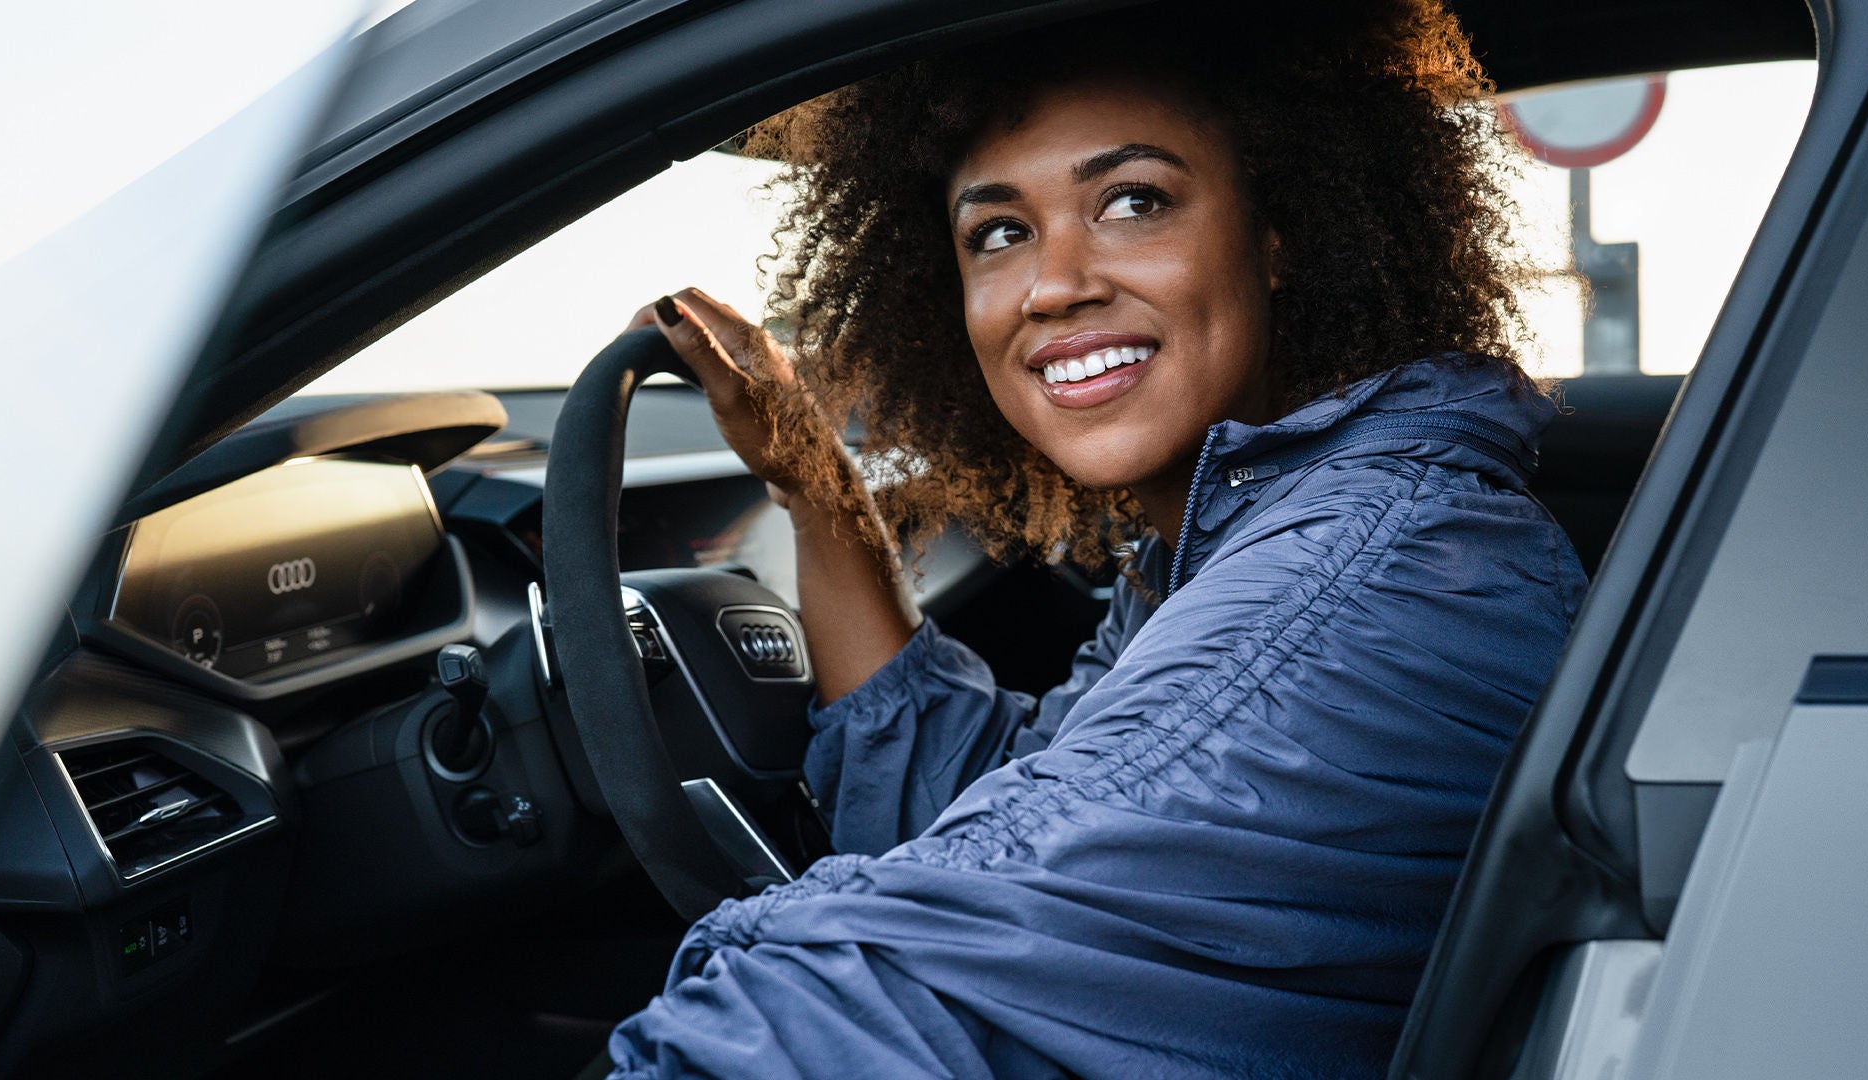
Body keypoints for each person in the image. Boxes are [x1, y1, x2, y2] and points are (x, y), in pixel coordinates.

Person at [605, 1, 1586, 1076]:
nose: (1055, 284)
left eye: (1131, 201)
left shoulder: (1369, 586)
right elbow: (981, 816)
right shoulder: (1231, 544)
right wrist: (813, 480)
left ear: (1280, 233)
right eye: (999, 231)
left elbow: (862, 998)